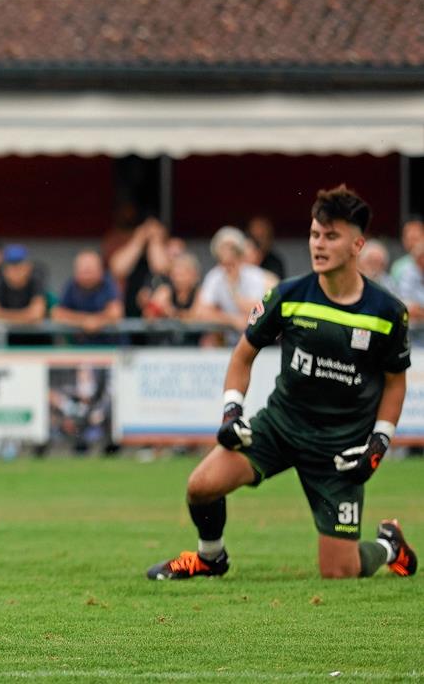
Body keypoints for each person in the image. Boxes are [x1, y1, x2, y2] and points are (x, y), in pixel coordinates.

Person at [147, 185, 416, 581]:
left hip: (337, 448)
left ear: (357, 244)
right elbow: (242, 355)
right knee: (201, 485)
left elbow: (395, 383)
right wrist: (232, 411)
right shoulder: (287, 297)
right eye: (314, 234)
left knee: (340, 571)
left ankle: (388, 545)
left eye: (331, 236)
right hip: (280, 427)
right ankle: (209, 558)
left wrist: (379, 443)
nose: (318, 244)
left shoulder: (388, 312)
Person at [192, 226, 275, 341]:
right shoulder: (214, 276)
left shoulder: (256, 276)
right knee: (208, 341)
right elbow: (201, 313)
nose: (228, 256)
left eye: (232, 250)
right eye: (223, 250)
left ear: (240, 253)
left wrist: (235, 294)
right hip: (224, 337)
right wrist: (232, 320)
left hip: (255, 337)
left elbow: (262, 310)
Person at [50, 249, 124, 344]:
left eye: (90, 270)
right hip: (82, 348)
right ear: (76, 271)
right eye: (84, 271)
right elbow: (57, 314)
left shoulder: (108, 283)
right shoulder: (71, 285)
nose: (87, 275)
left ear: (100, 270)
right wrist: (85, 321)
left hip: (111, 346)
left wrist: (96, 321)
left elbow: (116, 313)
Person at [246, 214, 286, 280]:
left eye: (261, 237)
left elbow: (275, 288)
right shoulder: (236, 263)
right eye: (253, 237)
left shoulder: (274, 264)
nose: (257, 242)